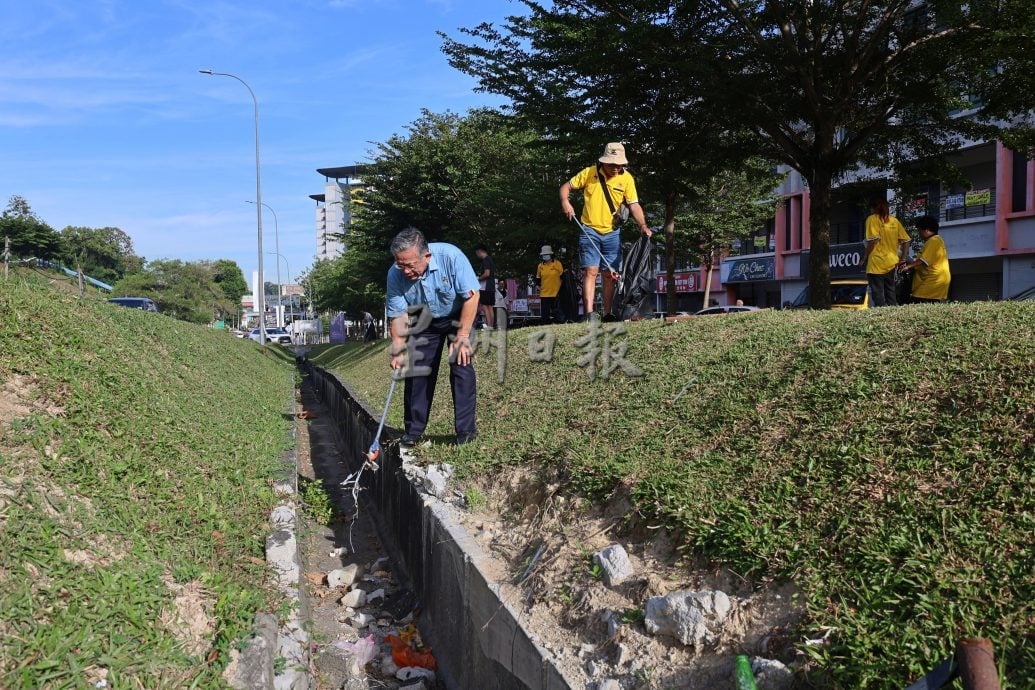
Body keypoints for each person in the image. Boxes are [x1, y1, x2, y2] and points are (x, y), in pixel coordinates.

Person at [386, 228, 480, 446]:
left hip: (459, 314)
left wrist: (463, 336)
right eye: (400, 264)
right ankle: (414, 431)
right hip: (424, 316)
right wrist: (398, 348)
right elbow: (399, 314)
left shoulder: (452, 257)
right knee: (418, 370)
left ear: (426, 256)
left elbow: (472, 297)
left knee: (461, 364)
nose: (405, 271)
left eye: (410, 265)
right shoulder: (394, 274)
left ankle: (465, 432)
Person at [560, 142, 651, 321]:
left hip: (612, 233)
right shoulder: (589, 173)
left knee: (609, 275)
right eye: (612, 164)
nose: (616, 168)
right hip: (589, 230)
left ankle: (608, 313)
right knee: (591, 271)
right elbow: (565, 187)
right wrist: (565, 201)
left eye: (620, 165)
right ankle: (589, 314)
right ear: (604, 162)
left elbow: (634, 205)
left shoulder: (627, 179)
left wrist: (643, 226)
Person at [862, 196, 910, 306]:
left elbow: (873, 241)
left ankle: (881, 315)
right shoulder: (894, 221)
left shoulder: (872, 219)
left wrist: (864, 257)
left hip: (876, 263)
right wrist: (902, 258)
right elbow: (906, 240)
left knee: (877, 294)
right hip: (891, 263)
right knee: (890, 292)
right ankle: (893, 316)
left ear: (873, 208)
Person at [900, 215, 951, 302]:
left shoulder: (933, 241)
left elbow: (923, 261)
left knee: (916, 302)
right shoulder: (935, 240)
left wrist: (907, 267)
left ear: (926, 230)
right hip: (934, 280)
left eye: (919, 230)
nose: (919, 234)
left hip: (932, 281)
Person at [535, 245, 564, 324]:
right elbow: (538, 278)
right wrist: (538, 286)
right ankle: (545, 325)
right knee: (545, 314)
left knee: (557, 312)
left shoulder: (557, 264)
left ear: (551, 254)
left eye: (546, 254)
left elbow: (563, 277)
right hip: (544, 293)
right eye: (543, 255)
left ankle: (559, 324)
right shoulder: (540, 266)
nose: (545, 256)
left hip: (556, 292)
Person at [474, 244, 496, 329]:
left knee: (486, 307)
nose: (477, 255)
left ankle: (489, 326)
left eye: (477, 253)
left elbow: (487, 274)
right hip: (491, 286)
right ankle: (491, 325)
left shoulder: (486, 260)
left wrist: (478, 279)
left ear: (479, 251)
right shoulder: (490, 259)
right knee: (490, 307)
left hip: (485, 287)